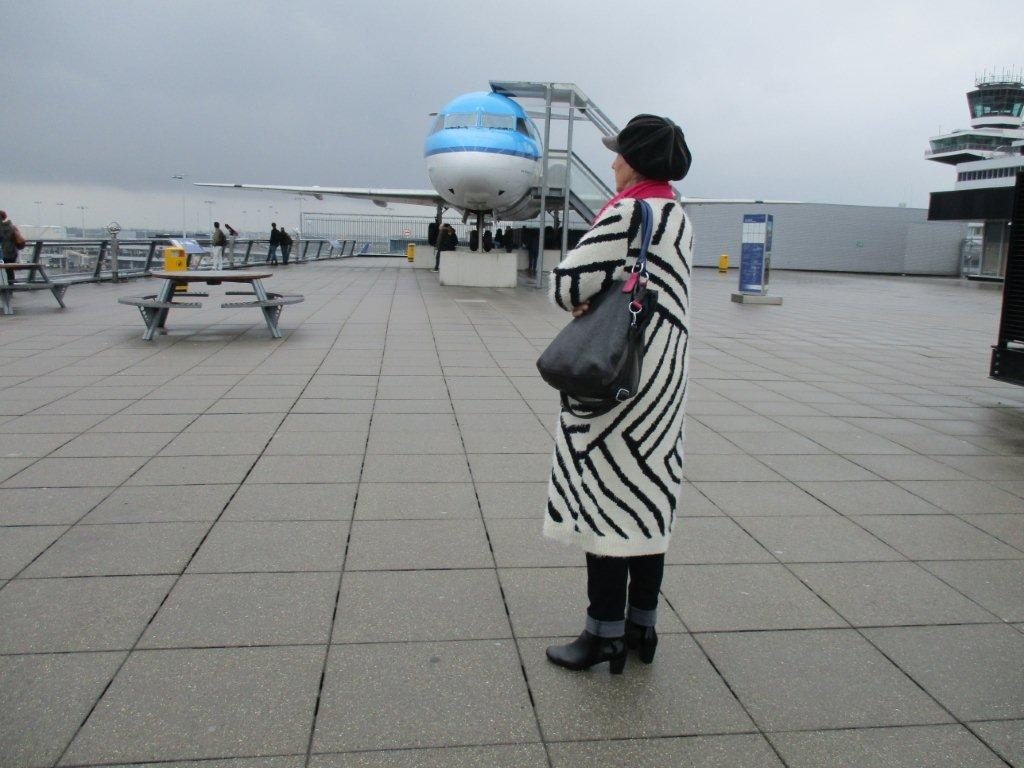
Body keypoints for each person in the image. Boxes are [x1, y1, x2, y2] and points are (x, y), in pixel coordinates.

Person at [543, 114, 694, 674]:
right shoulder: (678, 216)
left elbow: (566, 285)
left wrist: (584, 294)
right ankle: (641, 627)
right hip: (661, 388)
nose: (611, 163)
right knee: (648, 502)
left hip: (615, 390)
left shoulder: (628, 212)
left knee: (608, 503)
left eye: (618, 155)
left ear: (637, 160)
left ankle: (600, 633)